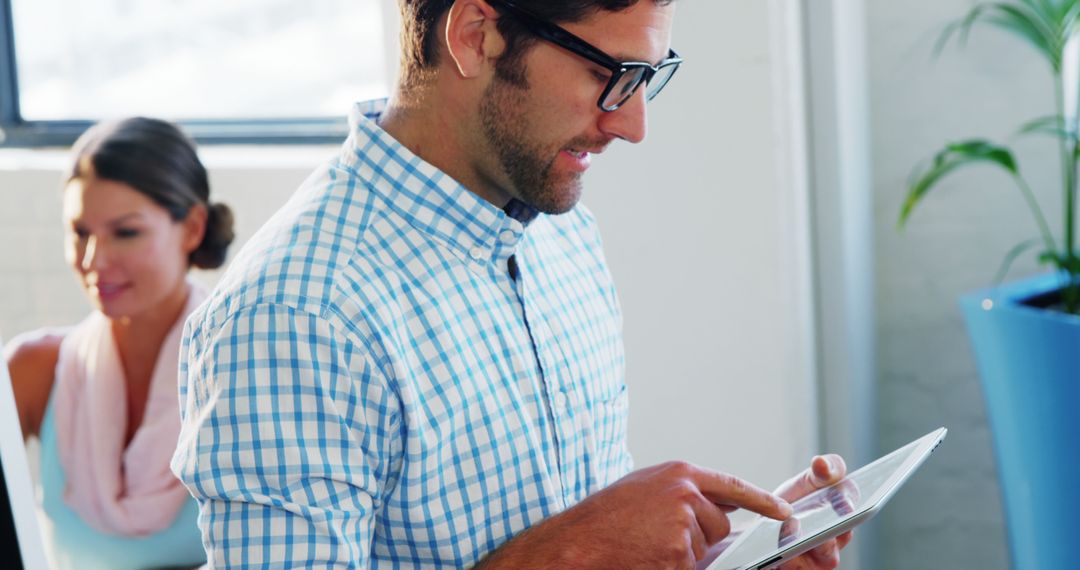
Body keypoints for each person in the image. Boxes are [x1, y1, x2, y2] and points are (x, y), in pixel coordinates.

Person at [172, 1, 852, 568]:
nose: (633, 124)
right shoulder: (295, 315)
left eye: (649, 75)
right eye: (607, 74)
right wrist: (568, 552)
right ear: (475, 37)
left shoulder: (563, 235)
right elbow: (578, 550)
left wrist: (741, 554)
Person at [3, 117, 235, 570]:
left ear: (191, 228)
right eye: (80, 232)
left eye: (125, 232)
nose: (94, 260)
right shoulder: (32, 371)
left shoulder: (241, 375)